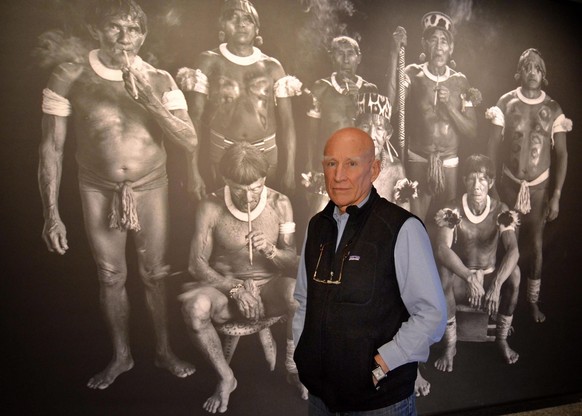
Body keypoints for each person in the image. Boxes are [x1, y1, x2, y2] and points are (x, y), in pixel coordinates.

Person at [37, 0, 197, 389]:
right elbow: (51, 149)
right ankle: (122, 356)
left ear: (144, 34)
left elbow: (190, 141)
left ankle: (163, 351)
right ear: (97, 30)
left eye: (134, 29)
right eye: (115, 27)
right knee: (110, 275)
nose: (125, 38)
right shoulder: (69, 75)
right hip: (97, 187)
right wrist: (51, 214)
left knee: (155, 274)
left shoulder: (160, 79)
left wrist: (149, 101)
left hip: (150, 186)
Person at [293, 127, 446, 415]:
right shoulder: (316, 226)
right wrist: (305, 356)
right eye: (331, 163)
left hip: (380, 403)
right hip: (321, 399)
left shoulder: (402, 227)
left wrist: (384, 362)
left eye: (351, 163)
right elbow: (304, 301)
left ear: (374, 169)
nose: (339, 175)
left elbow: (432, 315)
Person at [179, 142, 305, 414]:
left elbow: (294, 262)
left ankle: (294, 367)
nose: (248, 197)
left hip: (269, 288)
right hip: (226, 291)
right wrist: (236, 289)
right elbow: (196, 265)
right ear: (226, 180)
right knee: (193, 308)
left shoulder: (279, 203)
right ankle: (226, 377)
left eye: (255, 188)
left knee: (299, 293)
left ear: (264, 180)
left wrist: (270, 251)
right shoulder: (210, 206)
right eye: (239, 189)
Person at [176, 0, 300, 196]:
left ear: (257, 28)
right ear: (222, 25)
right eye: (233, 18)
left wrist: (290, 169)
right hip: (222, 149)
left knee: (263, 212)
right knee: (224, 212)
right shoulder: (209, 61)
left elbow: (288, 123)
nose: (241, 24)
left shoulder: (272, 66)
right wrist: (193, 171)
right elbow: (195, 120)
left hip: (265, 150)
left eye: (247, 19)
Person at [486, 48, 571, 323]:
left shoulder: (554, 108)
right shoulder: (506, 102)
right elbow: (492, 146)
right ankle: (494, 298)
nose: (532, 71)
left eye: (537, 67)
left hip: (538, 189)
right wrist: (490, 185)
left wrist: (555, 195)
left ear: (543, 75)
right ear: (519, 72)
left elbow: (561, 154)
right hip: (508, 184)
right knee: (501, 242)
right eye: (527, 66)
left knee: (534, 245)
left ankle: (531, 302)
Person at [303, 29, 406, 216]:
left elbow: (387, 110)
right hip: (329, 163)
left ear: (359, 58)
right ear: (331, 57)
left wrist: (393, 53)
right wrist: (310, 165)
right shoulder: (321, 88)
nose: (345, 59)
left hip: (358, 164)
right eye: (339, 53)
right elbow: (311, 135)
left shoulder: (368, 89)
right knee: (322, 215)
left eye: (350, 53)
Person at [433, 154, 521, 372]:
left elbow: (513, 250)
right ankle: (450, 345)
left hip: (490, 281)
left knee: (516, 273)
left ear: (490, 183)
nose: (476, 185)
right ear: (464, 181)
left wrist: (497, 284)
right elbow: (442, 249)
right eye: (471, 179)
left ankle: (501, 340)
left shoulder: (500, 210)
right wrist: (468, 277)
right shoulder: (453, 209)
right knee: (443, 270)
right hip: (463, 280)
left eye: (482, 179)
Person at [402, 12, 478, 221]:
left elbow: (472, 131)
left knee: (447, 224)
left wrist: (450, 107)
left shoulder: (461, 81)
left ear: (451, 48)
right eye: (433, 40)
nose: (438, 46)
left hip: (449, 162)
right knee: (415, 222)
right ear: (424, 45)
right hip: (418, 158)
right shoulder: (412, 73)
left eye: (444, 41)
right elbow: (393, 105)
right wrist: (394, 53)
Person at [355, 92, 415, 210]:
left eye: (379, 128)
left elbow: (404, 217)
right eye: (365, 126)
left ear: (388, 134)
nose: (371, 135)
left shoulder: (396, 168)